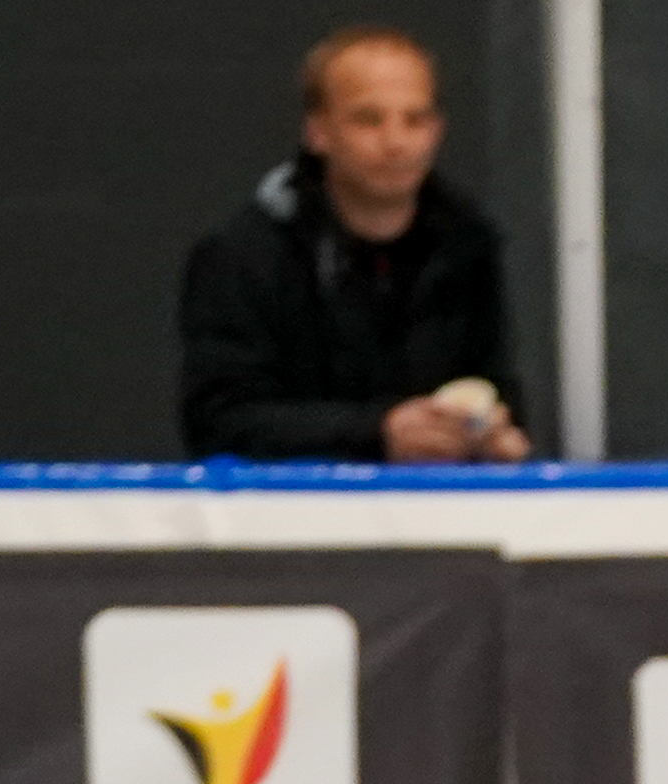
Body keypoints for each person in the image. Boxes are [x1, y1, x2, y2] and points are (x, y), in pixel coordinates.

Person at [179, 26, 531, 463]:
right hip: (289, 519)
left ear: (438, 130)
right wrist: (378, 433)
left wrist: (494, 434)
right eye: (368, 119)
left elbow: (496, 386)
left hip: (439, 516)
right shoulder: (243, 256)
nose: (396, 142)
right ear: (318, 131)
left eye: (415, 120)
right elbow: (219, 421)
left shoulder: (469, 245)